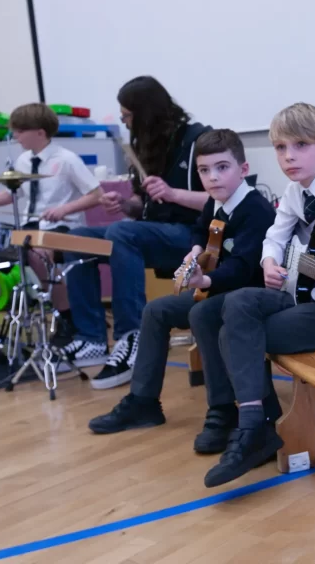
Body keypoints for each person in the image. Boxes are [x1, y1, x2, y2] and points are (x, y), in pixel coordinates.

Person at [188, 102, 315, 488]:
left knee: (234, 331)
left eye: (300, 144)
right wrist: (268, 262)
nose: (289, 156)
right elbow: (275, 235)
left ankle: (255, 425)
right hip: (303, 298)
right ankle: (255, 423)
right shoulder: (297, 191)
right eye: (280, 147)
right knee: (237, 302)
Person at [86, 129, 276, 424]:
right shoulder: (216, 200)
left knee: (203, 312)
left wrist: (205, 281)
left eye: (222, 168)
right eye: (204, 170)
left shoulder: (257, 210)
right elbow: (201, 229)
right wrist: (196, 250)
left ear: (244, 170)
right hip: (218, 289)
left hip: (246, 295)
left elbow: (243, 267)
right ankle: (143, 401)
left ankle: (222, 410)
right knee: (155, 311)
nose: (212, 177)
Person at [61, 76, 212, 387]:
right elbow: (143, 205)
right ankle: (91, 338)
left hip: (193, 236)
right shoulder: (146, 145)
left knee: (122, 234)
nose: (124, 122)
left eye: (127, 115)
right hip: (155, 231)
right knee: (77, 241)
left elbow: (222, 200)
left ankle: (132, 336)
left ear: (145, 112)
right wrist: (127, 205)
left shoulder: (200, 140)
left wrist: (172, 193)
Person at [0, 102, 101, 311]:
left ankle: (64, 313)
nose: (15, 136)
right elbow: (12, 194)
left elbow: (96, 195)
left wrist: (64, 209)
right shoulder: (23, 160)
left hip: (64, 228)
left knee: (37, 251)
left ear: (40, 132)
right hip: (31, 226)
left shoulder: (67, 159)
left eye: (20, 131)